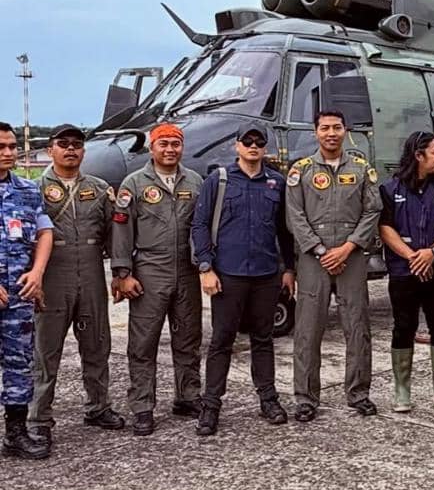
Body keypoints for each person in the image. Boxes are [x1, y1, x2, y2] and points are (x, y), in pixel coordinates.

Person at [191, 126, 296, 436]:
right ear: (237, 145)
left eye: (259, 142)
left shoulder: (276, 182)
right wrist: (205, 267)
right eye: (247, 141)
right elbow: (199, 225)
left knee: (263, 339)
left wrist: (289, 269)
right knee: (222, 340)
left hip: (265, 274)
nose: (253, 146)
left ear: (265, 147)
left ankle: (268, 400)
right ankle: (211, 406)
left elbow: (284, 230)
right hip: (228, 274)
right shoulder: (219, 180)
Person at [29, 123, 124, 445]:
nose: (71, 149)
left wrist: (120, 273)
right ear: (50, 150)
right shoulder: (34, 190)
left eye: (77, 144)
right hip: (53, 276)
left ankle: (98, 407)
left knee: (97, 345)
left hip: (92, 273)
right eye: (63, 144)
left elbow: (114, 235)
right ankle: (38, 417)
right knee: (46, 351)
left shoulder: (99, 189)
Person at [286, 110, 381, 421]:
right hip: (313, 258)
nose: (331, 133)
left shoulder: (362, 168)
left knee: (357, 327)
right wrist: (320, 250)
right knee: (307, 330)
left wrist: (348, 247)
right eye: (325, 128)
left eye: (337, 127)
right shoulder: (301, 170)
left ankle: (359, 393)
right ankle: (305, 398)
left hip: (351, 256)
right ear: (315, 132)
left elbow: (372, 210)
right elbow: (294, 215)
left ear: (345, 130)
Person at [109, 122, 203, 436]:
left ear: (182, 147)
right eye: (163, 144)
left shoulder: (195, 181)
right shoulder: (134, 184)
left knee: (188, 339)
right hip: (150, 270)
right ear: (152, 148)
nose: (170, 150)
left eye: (175, 144)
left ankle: (188, 396)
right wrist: (123, 273)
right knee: (143, 343)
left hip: (186, 271)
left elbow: (203, 227)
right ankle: (142, 407)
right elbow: (122, 229)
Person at [378, 130, 434, 413]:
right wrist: (413, 257)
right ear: (418, 155)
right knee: (403, 327)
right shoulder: (391, 189)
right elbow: (385, 227)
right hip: (404, 271)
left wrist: (432, 252)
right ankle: (402, 391)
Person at [0, 121, 53, 459]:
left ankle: (16, 433)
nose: (8, 153)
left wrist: (37, 273)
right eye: (1, 147)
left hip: (18, 294)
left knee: (19, 364)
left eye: (12, 146)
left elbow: (45, 231)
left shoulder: (28, 189)